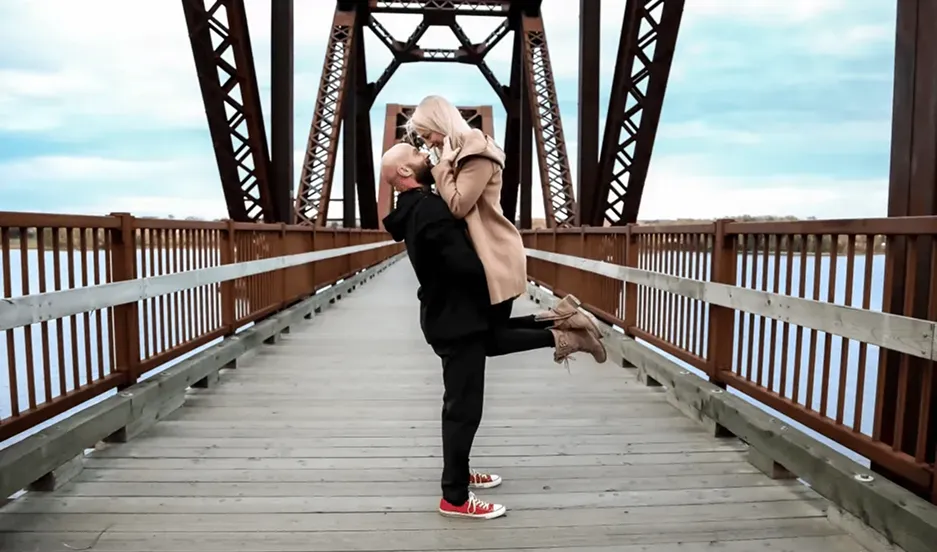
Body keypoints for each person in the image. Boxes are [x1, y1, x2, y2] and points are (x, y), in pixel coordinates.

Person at [379, 143, 604, 520]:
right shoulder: (432, 211)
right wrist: (498, 265)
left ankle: (561, 324)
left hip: (451, 316)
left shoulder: (416, 210)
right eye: (415, 154)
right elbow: (465, 265)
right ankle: (454, 498)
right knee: (462, 410)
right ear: (404, 172)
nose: (424, 153)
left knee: (493, 342)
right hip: (454, 321)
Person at [405, 94, 606, 365]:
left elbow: (457, 205)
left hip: (497, 256)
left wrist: (441, 168)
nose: (429, 144)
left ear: (440, 123)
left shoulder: (476, 153)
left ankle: (573, 336)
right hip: (485, 258)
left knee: (488, 339)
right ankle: (566, 319)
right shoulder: (459, 155)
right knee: (488, 335)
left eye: (428, 135)